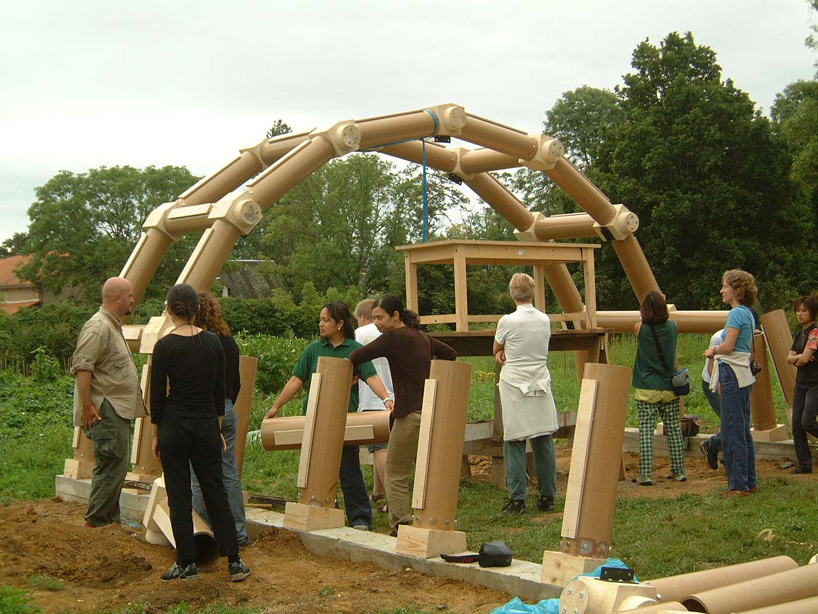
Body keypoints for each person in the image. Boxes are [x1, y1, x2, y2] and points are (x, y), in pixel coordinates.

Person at [150, 283, 250, 582]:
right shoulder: (213, 343)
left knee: (179, 495)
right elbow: (219, 393)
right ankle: (234, 561)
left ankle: (186, 562)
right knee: (215, 491)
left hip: (174, 425)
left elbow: (157, 397)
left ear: (170, 310)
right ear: (196, 310)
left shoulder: (164, 346)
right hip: (206, 424)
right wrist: (216, 428)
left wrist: (156, 435)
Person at [264, 301, 393, 531]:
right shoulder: (313, 350)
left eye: (326, 320)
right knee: (316, 469)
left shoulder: (355, 350)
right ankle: (326, 508)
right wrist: (276, 407)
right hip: (313, 419)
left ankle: (360, 518)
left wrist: (386, 400)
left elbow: (371, 377)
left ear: (340, 324)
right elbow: (296, 380)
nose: (321, 324)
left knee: (349, 469)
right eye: (320, 320)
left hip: (344, 420)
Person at [348, 295, 457, 536]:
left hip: (408, 414)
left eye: (380, 318)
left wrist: (355, 372)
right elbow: (450, 353)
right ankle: (431, 517)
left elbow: (356, 356)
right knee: (427, 468)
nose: (377, 323)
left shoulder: (392, 338)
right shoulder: (422, 337)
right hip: (430, 411)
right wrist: (432, 379)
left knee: (396, 472)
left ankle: (401, 524)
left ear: (396, 315)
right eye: (374, 317)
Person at [71, 277, 148, 528]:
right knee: (111, 466)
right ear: (118, 298)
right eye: (130, 296)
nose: (133, 300)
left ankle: (109, 524)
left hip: (115, 409)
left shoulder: (111, 325)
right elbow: (82, 367)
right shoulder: (98, 328)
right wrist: (87, 406)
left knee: (116, 466)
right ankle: (96, 522)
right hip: (106, 410)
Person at [492, 273, 559, 514]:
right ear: (532, 292)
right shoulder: (544, 319)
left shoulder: (507, 321)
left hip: (514, 383)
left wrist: (501, 352)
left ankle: (518, 499)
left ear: (512, 293)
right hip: (540, 380)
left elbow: (497, 347)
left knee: (515, 440)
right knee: (543, 438)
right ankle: (547, 496)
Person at [191, 291, 250, 546]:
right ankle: (239, 533)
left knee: (197, 475)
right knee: (229, 472)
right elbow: (236, 383)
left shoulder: (196, 342)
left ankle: (202, 533)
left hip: (201, 410)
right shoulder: (229, 342)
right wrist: (226, 405)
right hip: (226, 408)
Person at [703, 270, 758, 497]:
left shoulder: (735, 314)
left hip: (732, 372)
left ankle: (737, 485)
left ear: (736, 289)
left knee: (731, 430)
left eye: (725, 286)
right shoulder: (749, 313)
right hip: (743, 373)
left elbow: (728, 346)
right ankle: (749, 481)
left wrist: (713, 350)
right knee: (742, 429)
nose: (721, 290)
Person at [631, 290, 686, 486]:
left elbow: (642, 320)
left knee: (646, 432)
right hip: (669, 386)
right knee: (674, 430)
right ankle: (679, 472)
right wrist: (662, 302)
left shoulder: (640, 328)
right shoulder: (673, 327)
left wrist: (652, 305)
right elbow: (665, 318)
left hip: (646, 387)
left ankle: (645, 474)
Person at [354, 299, 394, 514]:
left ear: (362, 317)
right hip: (394, 395)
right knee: (380, 445)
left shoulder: (360, 334)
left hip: (372, 398)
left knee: (381, 448)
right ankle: (378, 491)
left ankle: (392, 499)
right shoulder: (393, 331)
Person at [786, 295, 818, 474]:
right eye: (798, 311)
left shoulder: (815, 332)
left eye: (803, 311)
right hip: (800, 384)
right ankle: (805, 464)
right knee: (796, 424)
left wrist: (798, 358)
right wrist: (800, 357)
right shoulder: (800, 334)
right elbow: (789, 359)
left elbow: (804, 359)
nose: (799, 314)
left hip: (815, 384)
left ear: (812, 312)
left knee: (808, 422)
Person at [699, 329, 725, 470]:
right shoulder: (718, 338)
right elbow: (711, 367)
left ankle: (723, 453)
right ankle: (712, 446)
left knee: (735, 421)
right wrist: (718, 385)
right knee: (730, 421)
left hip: (730, 382)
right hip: (714, 383)